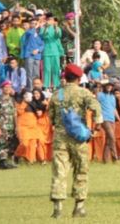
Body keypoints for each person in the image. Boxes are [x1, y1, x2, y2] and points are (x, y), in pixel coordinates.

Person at [49, 64, 103, 218]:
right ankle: (79, 206)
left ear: (65, 77)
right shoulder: (84, 93)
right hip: (79, 138)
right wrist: (96, 127)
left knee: (60, 170)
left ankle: (58, 208)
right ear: (79, 78)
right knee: (81, 169)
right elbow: (96, 109)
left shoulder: (56, 94)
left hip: (60, 138)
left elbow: (51, 117)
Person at [0, 80, 17, 169]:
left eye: (9, 87)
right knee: (2, 143)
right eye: (5, 87)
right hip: (2, 125)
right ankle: (3, 162)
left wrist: (16, 126)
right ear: (2, 88)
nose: (7, 89)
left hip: (11, 125)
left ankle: (3, 163)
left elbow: (14, 114)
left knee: (9, 143)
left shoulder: (12, 100)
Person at [96, 81, 120, 163]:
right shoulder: (100, 95)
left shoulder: (112, 97)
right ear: (104, 86)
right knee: (112, 137)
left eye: (110, 86)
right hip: (104, 118)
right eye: (107, 86)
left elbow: (114, 110)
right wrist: (98, 121)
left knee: (108, 140)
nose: (109, 87)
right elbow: (96, 107)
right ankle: (115, 158)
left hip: (112, 119)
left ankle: (105, 160)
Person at [40, 16, 64, 89]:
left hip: (55, 50)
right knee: (47, 68)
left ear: (53, 21)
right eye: (47, 20)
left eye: (50, 20)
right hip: (46, 50)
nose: (49, 21)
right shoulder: (43, 28)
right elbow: (43, 36)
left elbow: (58, 36)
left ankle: (56, 84)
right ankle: (46, 85)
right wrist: (46, 27)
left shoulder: (57, 28)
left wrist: (55, 27)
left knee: (56, 68)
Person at [21, 17, 44, 89]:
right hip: (29, 55)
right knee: (29, 73)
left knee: (36, 73)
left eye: (35, 23)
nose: (34, 25)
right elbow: (28, 35)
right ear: (30, 24)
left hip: (37, 55)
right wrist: (36, 27)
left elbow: (43, 44)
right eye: (32, 23)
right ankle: (30, 88)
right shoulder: (28, 32)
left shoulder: (40, 34)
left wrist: (38, 50)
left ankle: (36, 88)